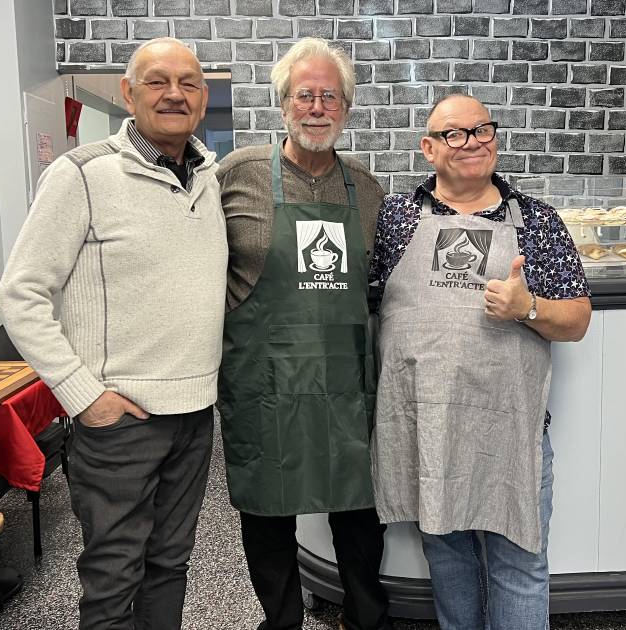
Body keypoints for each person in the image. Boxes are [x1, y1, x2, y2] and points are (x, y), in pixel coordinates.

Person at [0, 38, 226, 630]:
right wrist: (83, 396)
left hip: (194, 415)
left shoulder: (209, 179)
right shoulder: (82, 175)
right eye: (157, 81)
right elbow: (19, 295)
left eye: (189, 83)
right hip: (119, 423)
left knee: (170, 564)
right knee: (113, 577)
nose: (174, 94)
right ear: (128, 93)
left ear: (203, 98)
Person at [369, 94, 592, 630]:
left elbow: (578, 320)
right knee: (447, 558)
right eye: (454, 133)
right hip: (427, 428)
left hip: (509, 431)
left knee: (519, 564)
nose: (471, 143)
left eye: (482, 130)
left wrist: (528, 307)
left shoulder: (537, 220)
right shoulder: (397, 218)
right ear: (428, 148)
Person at [216, 37, 391, 630]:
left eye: (330, 96)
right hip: (264, 380)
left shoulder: (366, 189)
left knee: (360, 515)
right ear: (283, 103)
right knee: (267, 514)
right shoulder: (237, 176)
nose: (317, 107)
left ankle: (367, 618)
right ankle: (282, 620)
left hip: (345, 383)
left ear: (347, 107)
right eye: (304, 95)